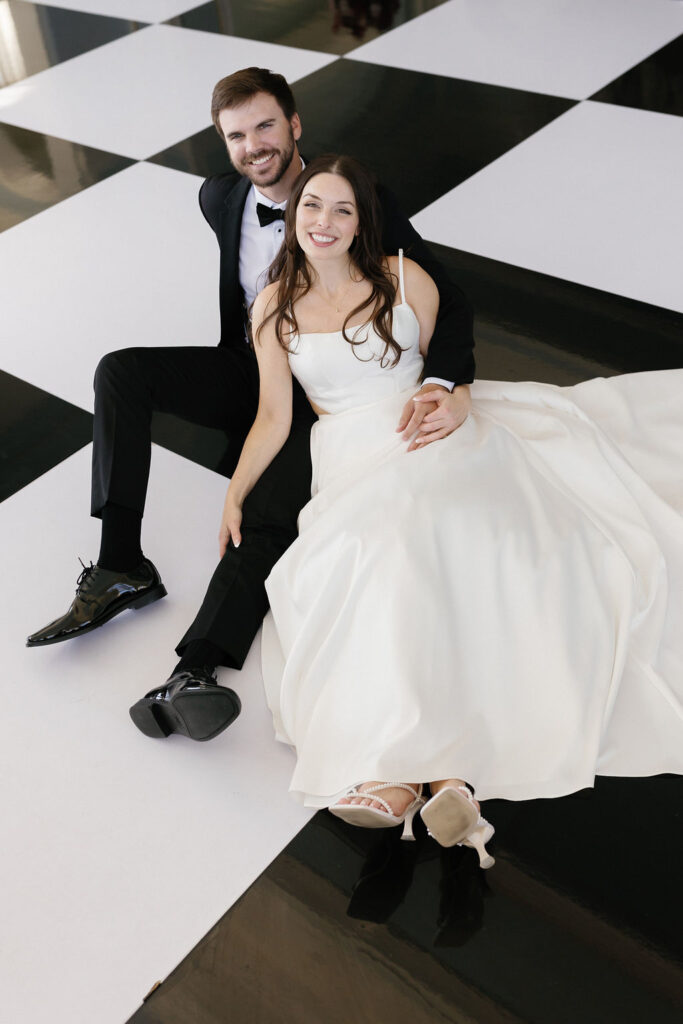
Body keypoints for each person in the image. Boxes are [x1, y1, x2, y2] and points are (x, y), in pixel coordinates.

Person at [222, 153, 683, 866]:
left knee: (450, 545)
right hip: (350, 452)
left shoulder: (405, 277)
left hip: (435, 433)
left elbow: (451, 360)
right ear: (293, 212)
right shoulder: (272, 305)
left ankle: (426, 774)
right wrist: (235, 492)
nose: (323, 221)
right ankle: (428, 774)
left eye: (342, 210)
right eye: (312, 205)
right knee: (374, 563)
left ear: (361, 222)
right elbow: (273, 418)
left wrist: (456, 398)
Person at [25, 68, 475, 744]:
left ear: (295, 125)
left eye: (266, 126)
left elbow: (445, 297)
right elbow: (252, 319)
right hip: (259, 360)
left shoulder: (359, 200)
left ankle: (196, 669)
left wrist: (448, 383)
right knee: (121, 373)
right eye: (236, 135)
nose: (253, 145)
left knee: (264, 523)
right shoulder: (220, 196)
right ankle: (121, 566)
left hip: (329, 392)